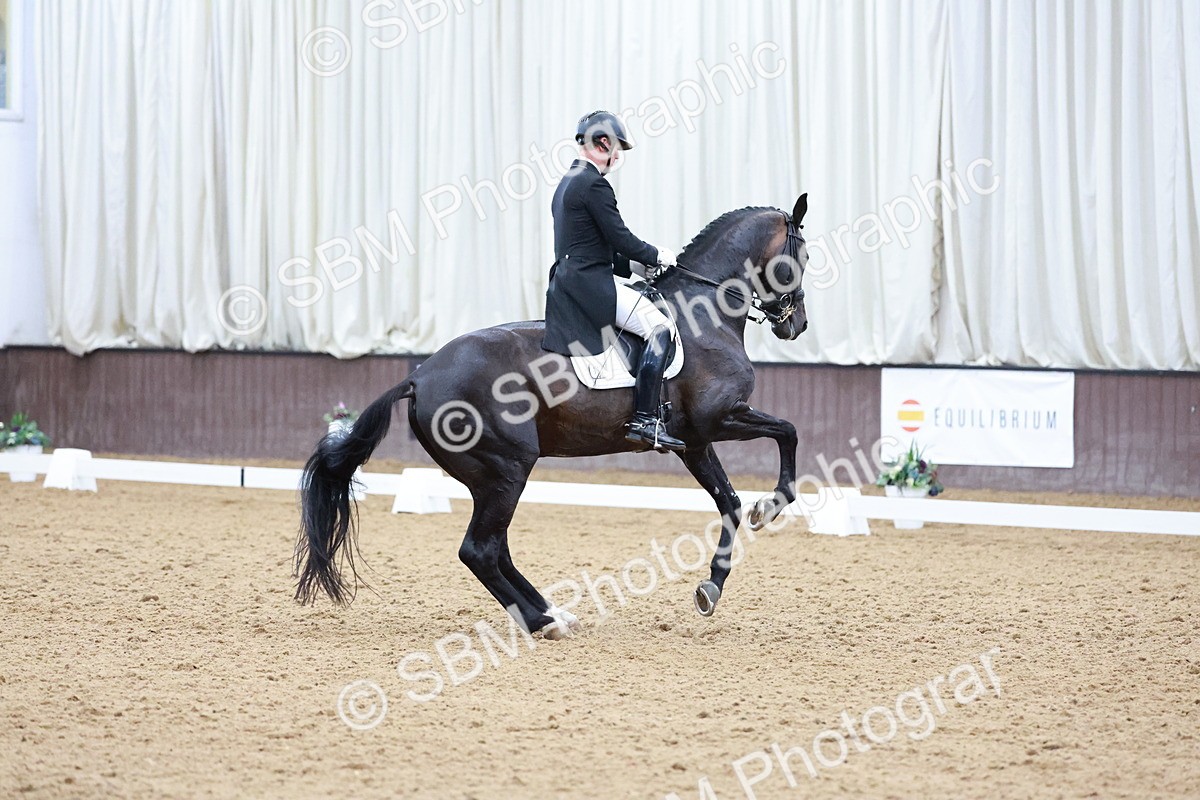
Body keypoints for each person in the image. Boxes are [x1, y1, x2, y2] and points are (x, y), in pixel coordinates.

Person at [542, 110, 685, 452]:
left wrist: (631, 266)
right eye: (617, 148)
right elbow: (620, 236)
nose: (617, 157)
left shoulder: (567, 182)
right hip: (590, 286)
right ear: (603, 142)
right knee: (660, 328)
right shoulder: (594, 184)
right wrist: (656, 255)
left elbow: (588, 244)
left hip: (570, 281)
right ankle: (645, 420)